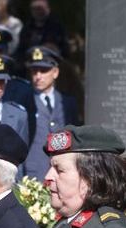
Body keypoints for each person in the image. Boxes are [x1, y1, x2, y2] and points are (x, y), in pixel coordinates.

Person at [22, 46, 80, 180]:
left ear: (55, 72)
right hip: (33, 173)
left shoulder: (68, 102)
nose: (38, 76)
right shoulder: (24, 102)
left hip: (62, 172)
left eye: (43, 71)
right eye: (34, 71)